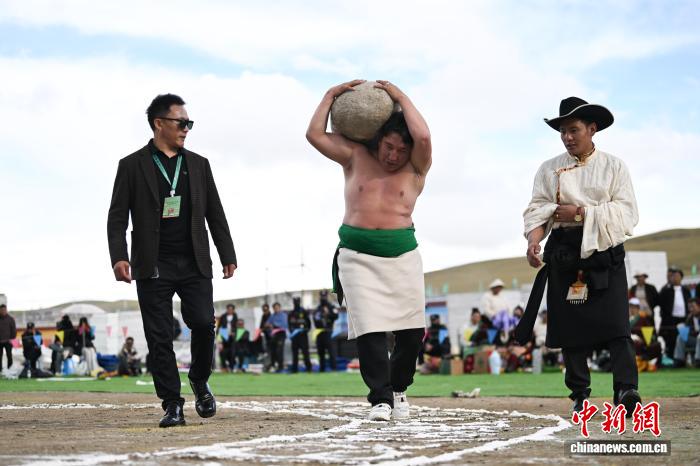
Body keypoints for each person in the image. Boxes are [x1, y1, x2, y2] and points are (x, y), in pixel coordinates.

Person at [107, 93, 237, 427]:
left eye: (189, 123)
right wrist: (119, 257)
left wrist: (227, 253)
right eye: (181, 122)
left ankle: (199, 379)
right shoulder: (131, 165)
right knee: (159, 336)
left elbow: (215, 212)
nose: (186, 129)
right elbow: (117, 217)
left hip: (194, 261)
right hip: (152, 264)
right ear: (159, 123)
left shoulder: (199, 164)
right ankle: (172, 404)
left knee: (204, 324)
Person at [307, 79, 431, 421]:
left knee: (411, 332)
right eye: (388, 146)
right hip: (357, 256)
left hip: (402, 256)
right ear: (378, 140)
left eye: (401, 150)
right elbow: (314, 135)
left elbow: (422, 137)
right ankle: (380, 399)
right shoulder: (355, 156)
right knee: (370, 330)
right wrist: (330, 95)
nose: (393, 156)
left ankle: (399, 388)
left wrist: (400, 96)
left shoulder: (416, 168)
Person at [516, 96, 641, 417]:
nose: (567, 137)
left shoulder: (614, 166)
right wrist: (533, 242)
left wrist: (581, 212)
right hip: (564, 253)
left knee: (617, 325)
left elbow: (627, 213)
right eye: (563, 132)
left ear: (592, 129)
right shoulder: (549, 169)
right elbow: (538, 209)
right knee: (569, 329)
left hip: (604, 252)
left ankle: (626, 389)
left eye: (574, 130)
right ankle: (579, 394)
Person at [659, 268, 689, 361]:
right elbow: (662, 304)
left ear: (681, 277)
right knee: (671, 340)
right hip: (671, 320)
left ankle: (683, 359)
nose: (675, 278)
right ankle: (672, 359)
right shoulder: (666, 290)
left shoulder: (686, 290)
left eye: (677, 276)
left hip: (684, 319)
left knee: (683, 338)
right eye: (673, 276)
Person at [628, 298, 661, 371]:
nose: (632, 309)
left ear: (638, 308)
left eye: (634, 307)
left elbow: (649, 333)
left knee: (656, 345)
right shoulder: (625, 319)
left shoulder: (643, 318)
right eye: (630, 307)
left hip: (641, 343)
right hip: (628, 341)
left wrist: (643, 339)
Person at [673, 298, 700, 367]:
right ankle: (679, 360)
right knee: (680, 337)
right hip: (695, 340)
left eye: (693, 307)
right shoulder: (689, 318)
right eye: (689, 307)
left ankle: (698, 360)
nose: (691, 309)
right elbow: (688, 332)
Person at [288, 297, 312, 373]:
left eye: (297, 302)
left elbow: (309, 324)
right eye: (295, 302)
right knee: (295, 354)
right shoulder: (291, 313)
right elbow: (289, 325)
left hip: (303, 336)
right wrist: (292, 332)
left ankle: (309, 369)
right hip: (295, 337)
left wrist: (305, 330)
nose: (296, 303)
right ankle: (294, 370)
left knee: (305, 353)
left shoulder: (304, 312)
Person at [313, 301, 338, 372]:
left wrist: (328, 313)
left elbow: (336, 316)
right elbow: (315, 318)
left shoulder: (331, 307)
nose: (323, 298)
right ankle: (322, 369)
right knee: (321, 352)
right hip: (320, 332)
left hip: (328, 332)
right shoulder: (318, 308)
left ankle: (334, 368)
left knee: (331, 351)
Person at [266, 302, 288, 372]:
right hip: (273, 335)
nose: (276, 309)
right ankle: (273, 365)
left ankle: (280, 366)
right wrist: (269, 325)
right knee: (273, 351)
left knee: (279, 351)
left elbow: (284, 325)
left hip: (281, 334)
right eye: (274, 308)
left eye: (277, 308)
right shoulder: (272, 316)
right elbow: (266, 324)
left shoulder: (284, 315)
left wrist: (274, 325)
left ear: (280, 308)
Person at [216, 304, 238, 372]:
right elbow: (219, 328)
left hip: (232, 337)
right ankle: (224, 367)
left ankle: (231, 367)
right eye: (229, 309)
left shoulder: (235, 316)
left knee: (232, 352)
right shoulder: (223, 316)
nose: (230, 310)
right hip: (224, 336)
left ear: (233, 310)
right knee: (222, 352)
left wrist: (233, 333)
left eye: (231, 309)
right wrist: (219, 339)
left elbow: (236, 327)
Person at [0, 304, 16, 371]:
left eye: (4, 310)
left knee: (9, 355)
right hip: (0, 341)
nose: (3, 311)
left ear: (6, 310)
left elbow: (13, 330)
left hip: (8, 341)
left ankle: (10, 369)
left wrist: (12, 339)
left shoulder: (11, 319)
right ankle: (0, 370)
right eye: (2, 310)